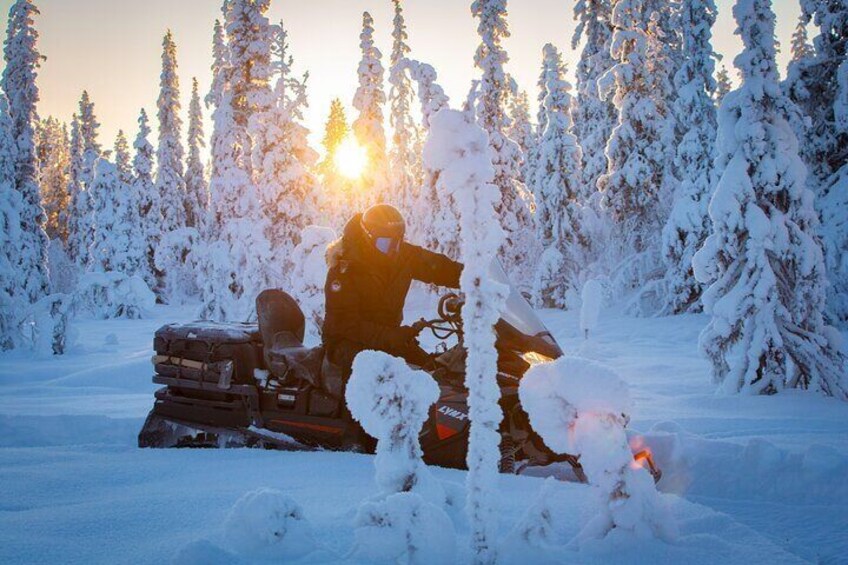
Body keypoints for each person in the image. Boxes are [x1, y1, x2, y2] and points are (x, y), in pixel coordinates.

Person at [322, 204, 462, 374]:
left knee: (436, 372)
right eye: (385, 243)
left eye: (398, 242)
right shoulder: (345, 269)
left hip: (388, 341)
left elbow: (436, 267)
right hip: (347, 348)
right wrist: (391, 337)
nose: (393, 250)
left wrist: (473, 278)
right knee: (396, 386)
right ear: (368, 238)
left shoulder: (401, 255)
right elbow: (342, 323)